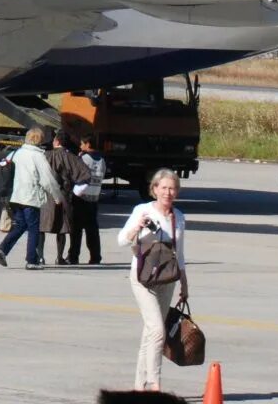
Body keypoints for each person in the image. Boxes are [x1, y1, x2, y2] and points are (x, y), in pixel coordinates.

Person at [118, 169, 189, 391]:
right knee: (157, 330)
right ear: (155, 189)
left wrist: (184, 283)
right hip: (142, 277)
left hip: (167, 278)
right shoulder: (143, 210)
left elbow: (180, 252)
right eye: (164, 187)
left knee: (150, 333)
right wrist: (136, 228)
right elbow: (121, 240)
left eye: (172, 188)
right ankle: (154, 383)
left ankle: (139, 387)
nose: (168, 192)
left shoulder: (178, 217)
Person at [0, 127, 62, 270]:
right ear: (40, 140)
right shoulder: (38, 156)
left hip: (15, 196)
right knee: (34, 229)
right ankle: (32, 260)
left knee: (20, 225)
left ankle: (2, 249)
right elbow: (47, 180)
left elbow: (2, 166)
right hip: (31, 197)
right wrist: (57, 196)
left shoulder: (16, 153)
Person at [46, 129, 90, 263]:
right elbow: (86, 175)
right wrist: (76, 192)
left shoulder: (45, 155)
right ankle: (59, 257)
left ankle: (38, 256)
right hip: (64, 195)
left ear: (57, 141)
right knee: (62, 227)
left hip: (46, 196)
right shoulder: (72, 157)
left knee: (41, 227)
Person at [68, 131, 105, 266]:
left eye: (82, 144)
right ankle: (95, 256)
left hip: (81, 198)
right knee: (92, 229)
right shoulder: (102, 160)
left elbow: (76, 175)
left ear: (88, 144)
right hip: (94, 197)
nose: (80, 146)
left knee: (76, 229)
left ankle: (73, 256)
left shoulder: (84, 159)